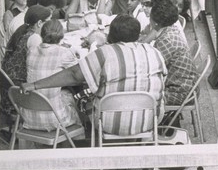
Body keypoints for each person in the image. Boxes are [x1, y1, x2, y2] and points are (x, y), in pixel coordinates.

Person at [22, 15, 167, 135]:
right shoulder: (154, 52)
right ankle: (137, 143)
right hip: (150, 119)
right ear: (137, 35)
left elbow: (74, 75)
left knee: (82, 98)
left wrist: (35, 85)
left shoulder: (104, 52)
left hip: (109, 123)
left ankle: (90, 142)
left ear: (111, 35)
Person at [23, 19, 82, 131]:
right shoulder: (64, 53)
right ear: (61, 36)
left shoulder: (31, 51)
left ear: (42, 34)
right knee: (71, 96)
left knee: (63, 93)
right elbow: (79, 74)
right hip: (54, 119)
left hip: (29, 116)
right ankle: (72, 141)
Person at [1, 5, 52, 117]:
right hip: (20, 94)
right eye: (48, 22)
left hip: (9, 91)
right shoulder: (35, 38)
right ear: (39, 23)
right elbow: (41, 65)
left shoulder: (21, 31)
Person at [151, 0, 198, 105]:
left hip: (180, 94)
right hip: (186, 87)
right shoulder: (171, 29)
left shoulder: (166, 40)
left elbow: (152, 69)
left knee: (141, 97)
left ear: (154, 22)